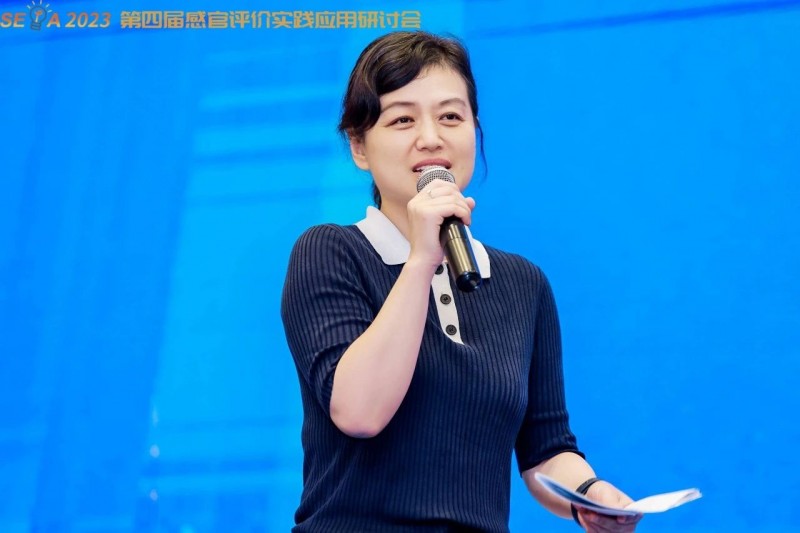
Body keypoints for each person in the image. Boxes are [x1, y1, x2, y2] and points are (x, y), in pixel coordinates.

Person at [281, 30, 642, 532]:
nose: (431, 137)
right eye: (403, 119)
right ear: (359, 146)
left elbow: (546, 450)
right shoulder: (331, 253)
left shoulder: (524, 284)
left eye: (451, 116)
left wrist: (588, 494)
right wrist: (421, 260)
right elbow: (360, 412)